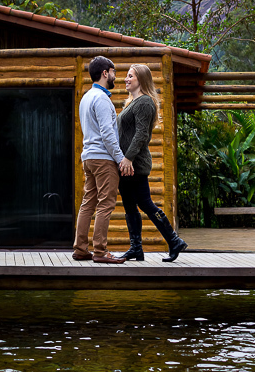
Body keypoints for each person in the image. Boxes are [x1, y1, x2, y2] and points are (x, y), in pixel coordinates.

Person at [116, 64, 187, 262]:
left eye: (130, 76)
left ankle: (174, 240)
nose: (126, 79)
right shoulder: (132, 102)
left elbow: (141, 134)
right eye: (127, 76)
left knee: (145, 203)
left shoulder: (145, 102)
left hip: (134, 164)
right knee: (130, 206)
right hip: (125, 164)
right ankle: (136, 248)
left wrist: (128, 158)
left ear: (141, 79)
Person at [73, 56, 133, 263]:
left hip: (89, 158)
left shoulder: (86, 97)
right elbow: (107, 134)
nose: (116, 76)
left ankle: (80, 249)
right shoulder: (101, 99)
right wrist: (120, 159)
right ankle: (100, 251)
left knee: (88, 203)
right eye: (114, 72)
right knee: (105, 204)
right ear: (105, 73)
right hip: (103, 159)